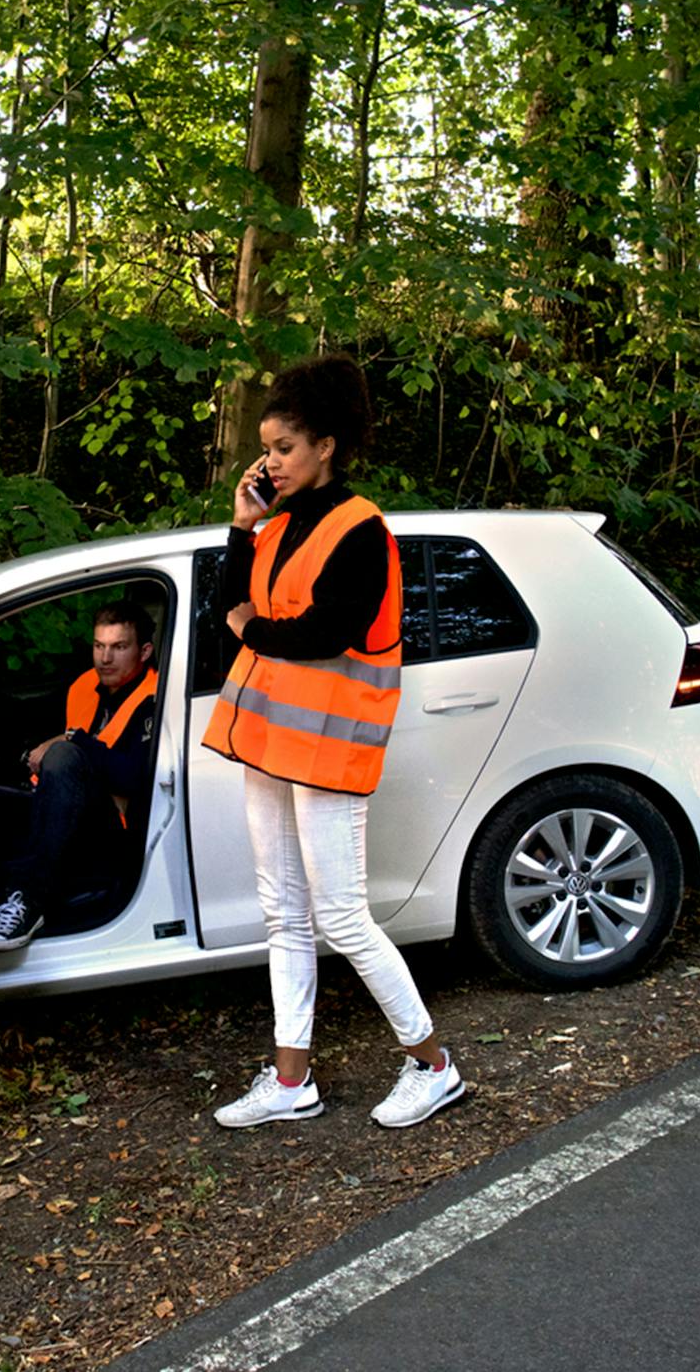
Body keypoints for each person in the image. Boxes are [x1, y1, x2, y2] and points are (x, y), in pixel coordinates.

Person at [201, 354, 463, 1130]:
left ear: (326, 445)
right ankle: (292, 1080)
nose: (270, 461)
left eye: (282, 446)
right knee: (283, 913)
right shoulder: (274, 524)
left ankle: (435, 1065)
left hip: (327, 756)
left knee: (343, 918)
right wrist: (240, 527)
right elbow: (225, 595)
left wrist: (249, 623)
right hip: (273, 749)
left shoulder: (360, 527)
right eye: (266, 448)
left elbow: (322, 633)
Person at [0, 601, 160, 952]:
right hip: (58, 809)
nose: (105, 658)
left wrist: (72, 740)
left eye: (119, 647)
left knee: (64, 755)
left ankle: (28, 901)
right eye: (99, 646)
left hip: (110, 830)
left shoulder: (154, 698)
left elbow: (132, 778)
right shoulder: (86, 685)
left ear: (144, 651)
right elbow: (20, 713)